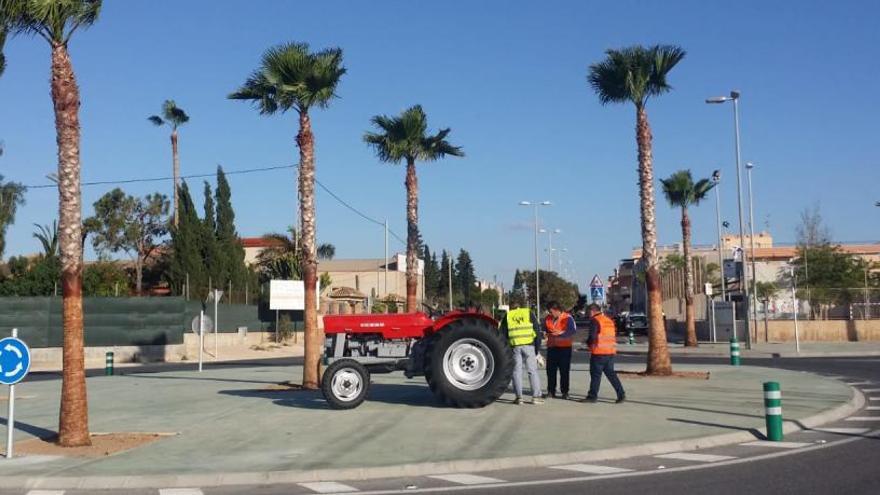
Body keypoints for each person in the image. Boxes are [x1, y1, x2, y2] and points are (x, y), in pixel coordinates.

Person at [499, 300, 544, 405]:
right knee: (532, 371)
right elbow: (537, 330)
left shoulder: (508, 315)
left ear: (511, 308)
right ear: (520, 306)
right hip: (529, 345)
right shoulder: (528, 313)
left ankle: (519, 397)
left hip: (515, 346)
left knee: (516, 372)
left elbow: (502, 334)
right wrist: (537, 349)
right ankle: (536, 397)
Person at [585, 303, 626, 403]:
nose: (588, 314)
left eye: (588, 312)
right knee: (611, 374)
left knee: (595, 375)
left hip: (599, 352)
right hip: (610, 351)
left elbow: (593, 337)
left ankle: (592, 396)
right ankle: (621, 394)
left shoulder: (595, 320)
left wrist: (588, 344)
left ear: (592, 311)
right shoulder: (609, 320)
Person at [543, 300, 576, 399]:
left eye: (551, 311)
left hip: (564, 349)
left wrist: (560, 333)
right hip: (552, 348)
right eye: (549, 311)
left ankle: (565, 392)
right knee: (550, 371)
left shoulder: (567, 318)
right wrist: (544, 334)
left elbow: (572, 331)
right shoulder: (548, 318)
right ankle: (551, 391)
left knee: (564, 371)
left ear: (557, 310)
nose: (550, 313)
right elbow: (544, 329)